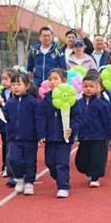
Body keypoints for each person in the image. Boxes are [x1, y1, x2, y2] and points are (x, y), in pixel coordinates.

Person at [36, 68, 81, 198]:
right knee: (50, 162)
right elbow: (40, 118)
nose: (52, 82)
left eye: (55, 79)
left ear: (64, 81)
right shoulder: (46, 100)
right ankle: (59, 177)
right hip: (50, 138)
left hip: (64, 139)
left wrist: (72, 128)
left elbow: (77, 117)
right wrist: (41, 134)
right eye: (50, 79)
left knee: (62, 163)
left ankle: (63, 186)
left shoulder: (71, 99)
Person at [0, 72, 40, 196]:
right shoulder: (10, 103)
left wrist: (41, 135)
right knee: (13, 159)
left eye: (18, 84)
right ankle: (19, 178)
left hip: (30, 138)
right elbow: (4, 116)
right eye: (13, 85)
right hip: (13, 138)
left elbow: (39, 119)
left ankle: (29, 182)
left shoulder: (34, 103)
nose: (15, 87)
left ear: (27, 86)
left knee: (29, 161)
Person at [75, 73, 111, 187]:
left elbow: (108, 120)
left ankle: (95, 177)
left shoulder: (102, 104)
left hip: (98, 136)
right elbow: (75, 118)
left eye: (91, 86)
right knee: (81, 160)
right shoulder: (78, 103)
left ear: (97, 88)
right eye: (85, 86)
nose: (88, 89)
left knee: (97, 158)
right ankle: (88, 171)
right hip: (84, 136)